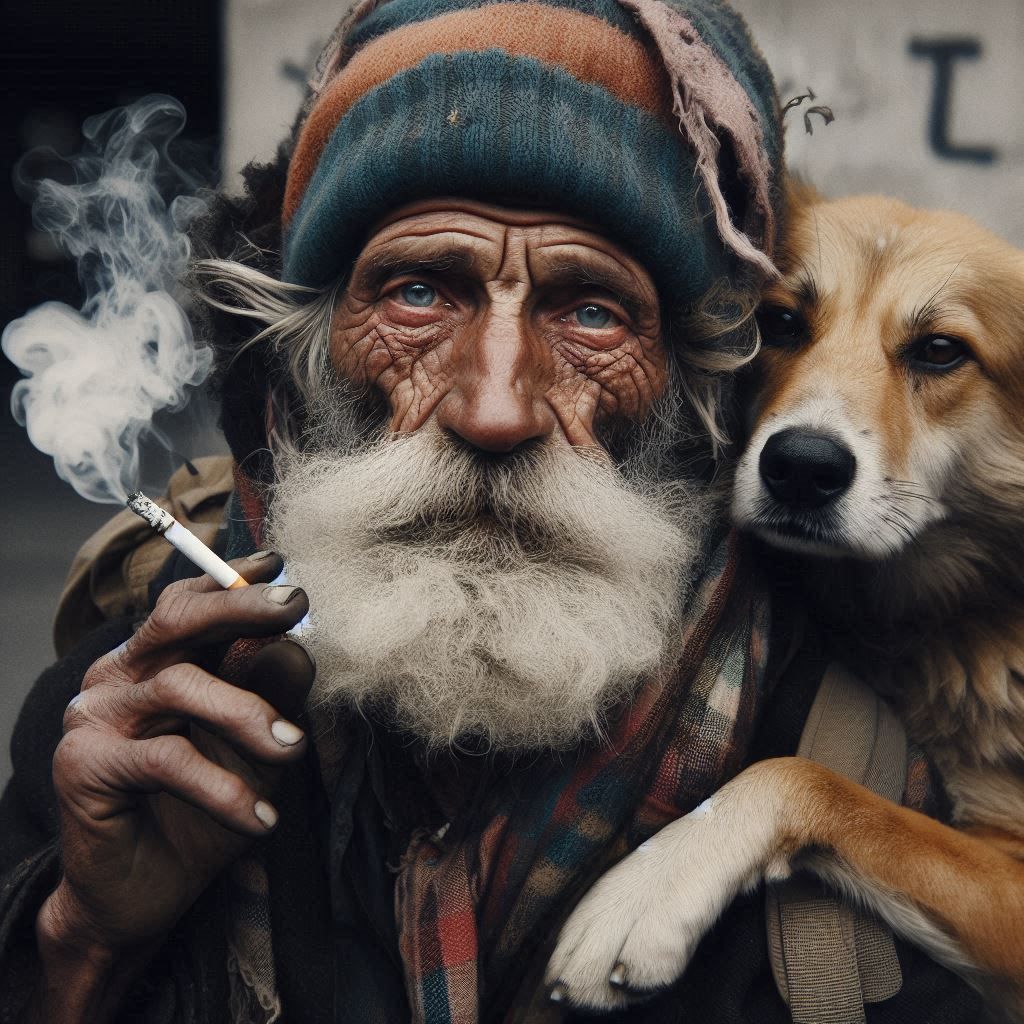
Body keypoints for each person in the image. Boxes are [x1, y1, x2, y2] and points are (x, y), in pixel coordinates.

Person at [0, 0, 983, 1021]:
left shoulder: (878, 788)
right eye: (420, 293)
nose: (496, 406)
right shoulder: (131, 723)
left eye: (590, 310)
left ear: (693, 398)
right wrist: (85, 937)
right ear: (306, 360)